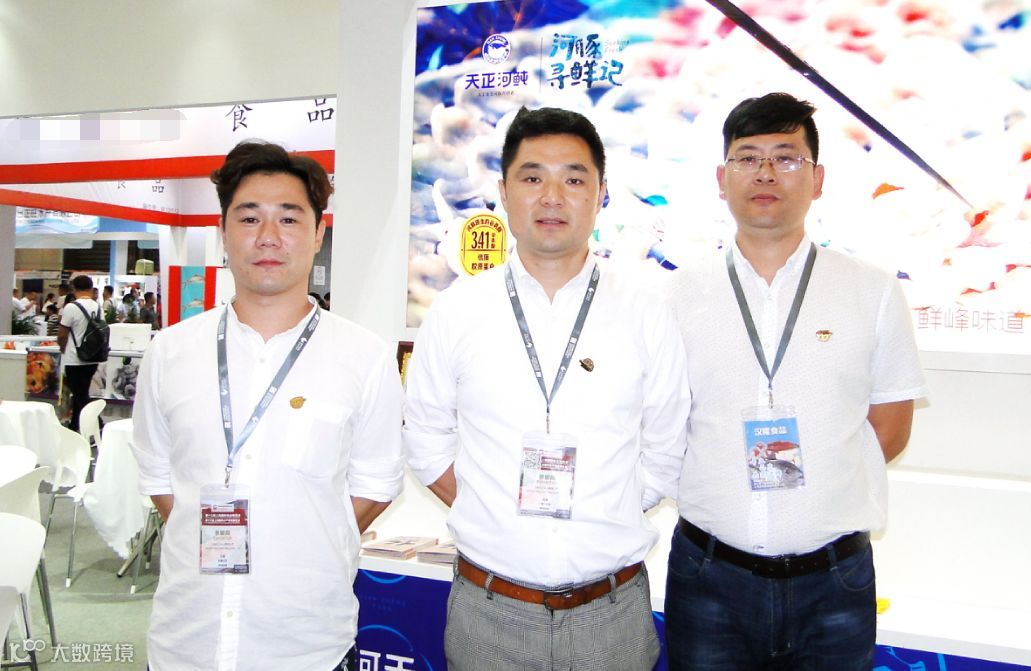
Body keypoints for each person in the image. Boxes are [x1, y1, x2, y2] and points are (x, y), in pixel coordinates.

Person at [404, 106, 690, 671]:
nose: (553, 197)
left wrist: (601, 506)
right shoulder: (457, 311)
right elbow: (427, 441)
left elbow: (666, 448)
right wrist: (491, 509)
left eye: (574, 180)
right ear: (504, 193)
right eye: (533, 177)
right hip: (488, 612)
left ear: (601, 194)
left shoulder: (646, 312)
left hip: (611, 615)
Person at [663, 92, 927, 670]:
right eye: (747, 157)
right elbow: (662, 426)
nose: (765, 173)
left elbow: (890, 427)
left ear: (818, 178)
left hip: (833, 579)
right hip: (709, 577)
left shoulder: (872, 290)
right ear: (721, 178)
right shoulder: (674, 295)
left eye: (786, 157)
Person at [131, 140, 405, 671]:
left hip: (307, 645)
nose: (268, 237)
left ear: (319, 233)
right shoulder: (170, 351)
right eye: (250, 217)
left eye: (289, 218)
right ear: (223, 231)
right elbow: (159, 476)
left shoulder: (364, 356)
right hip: (185, 641)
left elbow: (375, 484)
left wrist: (303, 537)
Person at [57, 275, 103, 432]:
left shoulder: (71, 307)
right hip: (92, 357)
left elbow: (62, 334)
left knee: (80, 395)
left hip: (74, 358)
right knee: (81, 392)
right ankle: (75, 425)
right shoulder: (97, 307)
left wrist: (62, 348)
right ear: (91, 288)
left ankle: (99, 423)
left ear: (74, 289)